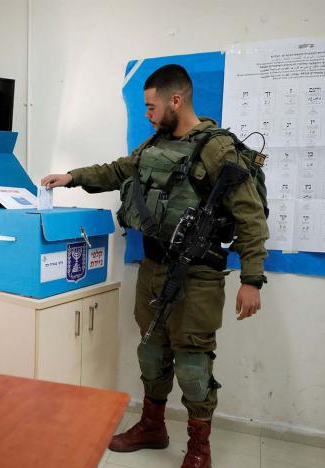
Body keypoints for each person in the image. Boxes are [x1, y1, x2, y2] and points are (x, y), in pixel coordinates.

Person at [41, 64, 269, 468]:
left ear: (175, 101)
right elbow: (119, 170)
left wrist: (251, 280)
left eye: (151, 106)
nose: (147, 113)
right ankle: (152, 426)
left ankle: (199, 448)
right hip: (152, 268)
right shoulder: (154, 144)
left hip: (197, 275)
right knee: (150, 351)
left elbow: (251, 218)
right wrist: (72, 177)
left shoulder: (218, 150)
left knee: (193, 363)